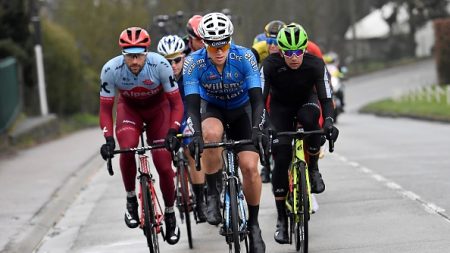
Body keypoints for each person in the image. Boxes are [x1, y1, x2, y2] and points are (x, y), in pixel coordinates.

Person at [183, 12, 267, 253]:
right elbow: (191, 105)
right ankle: (212, 193)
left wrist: (257, 129)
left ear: (231, 40)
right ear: (204, 43)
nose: (219, 51)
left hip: (243, 109)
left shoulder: (245, 57)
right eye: (212, 45)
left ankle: (253, 225)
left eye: (224, 44)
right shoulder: (193, 62)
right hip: (214, 108)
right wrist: (195, 134)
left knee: (250, 167)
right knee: (210, 136)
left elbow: (258, 100)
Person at [99, 27, 183, 245]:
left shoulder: (161, 65)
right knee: (126, 149)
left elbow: (176, 103)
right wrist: (108, 139)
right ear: (122, 54)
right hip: (130, 110)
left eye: (138, 55)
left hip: (159, 111)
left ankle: (170, 213)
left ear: (147, 52)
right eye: (129, 56)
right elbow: (106, 109)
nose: (134, 61)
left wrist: (173, 130)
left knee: (164, 165)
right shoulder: (111, 69)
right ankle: (130, 200)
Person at [261, 23, 339, 244]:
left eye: (298, 52)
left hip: (307, 102)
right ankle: (281, 220)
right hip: (280, 108)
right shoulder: (270, 64)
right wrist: (265, 124)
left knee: (312, 121)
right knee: (281, 155)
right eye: (288, 52)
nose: (294, 57)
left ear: (305, 49)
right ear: (280, 50)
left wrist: (330, 121)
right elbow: (259, 99)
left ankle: (313, 170)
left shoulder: (315, 64)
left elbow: (325, 97)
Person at [157, 34, 207, 222]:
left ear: (184, 57)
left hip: (188, 116)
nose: (173, 66)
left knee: (191, 151)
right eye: (167, 61)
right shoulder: (157, 77)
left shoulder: (191, 73)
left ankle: (200, 201)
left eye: (177, 60)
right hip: (167, 118)